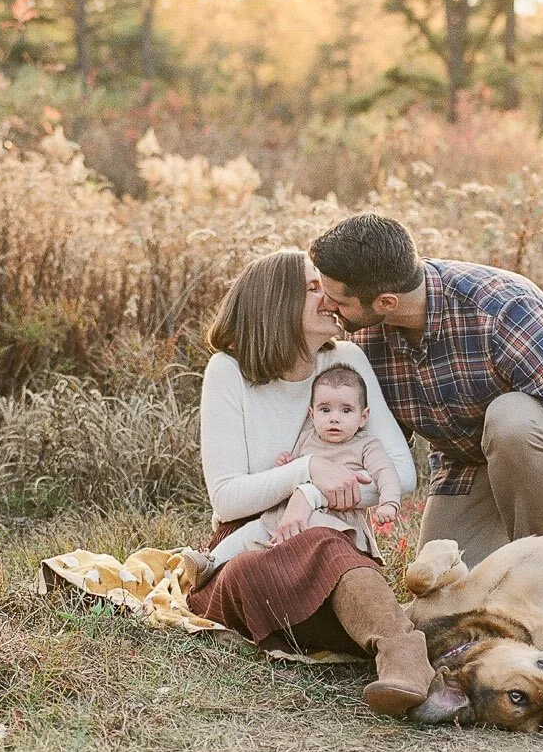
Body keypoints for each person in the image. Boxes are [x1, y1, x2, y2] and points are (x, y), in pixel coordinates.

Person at [185, 248, 435, 717]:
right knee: (292, 553)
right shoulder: (228, 372)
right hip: (256, 548)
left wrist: (312, 494)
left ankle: (404, 666)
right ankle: (404, 654)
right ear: (277, 303)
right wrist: (306, 471)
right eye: (313, 287)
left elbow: (400, 474)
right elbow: (226, 498)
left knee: (328, 538)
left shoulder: (346, 360)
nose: (331, 298)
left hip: (339, 551)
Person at [309, 214, 543, 572]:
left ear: (386, 302)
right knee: (441, 591)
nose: (327, 304)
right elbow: (371, 439)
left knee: (512, 417)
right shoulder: (360, 337)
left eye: (338, 299)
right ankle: (515, 567)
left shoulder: (504, 309)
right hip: (465, 464)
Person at [190, 363, 403, 580]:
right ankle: (210, 562)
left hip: (336, 518)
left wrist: (389, 503)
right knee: (255, 529)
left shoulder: (366, 444)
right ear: (312, 414)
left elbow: (386, 473)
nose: (334, 418)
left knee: (314, 543)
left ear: (363, 417)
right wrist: (286, 464)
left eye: (346, 410)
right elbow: (296, 471)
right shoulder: (308, 437)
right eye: (325, 410)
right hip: (289, 513)